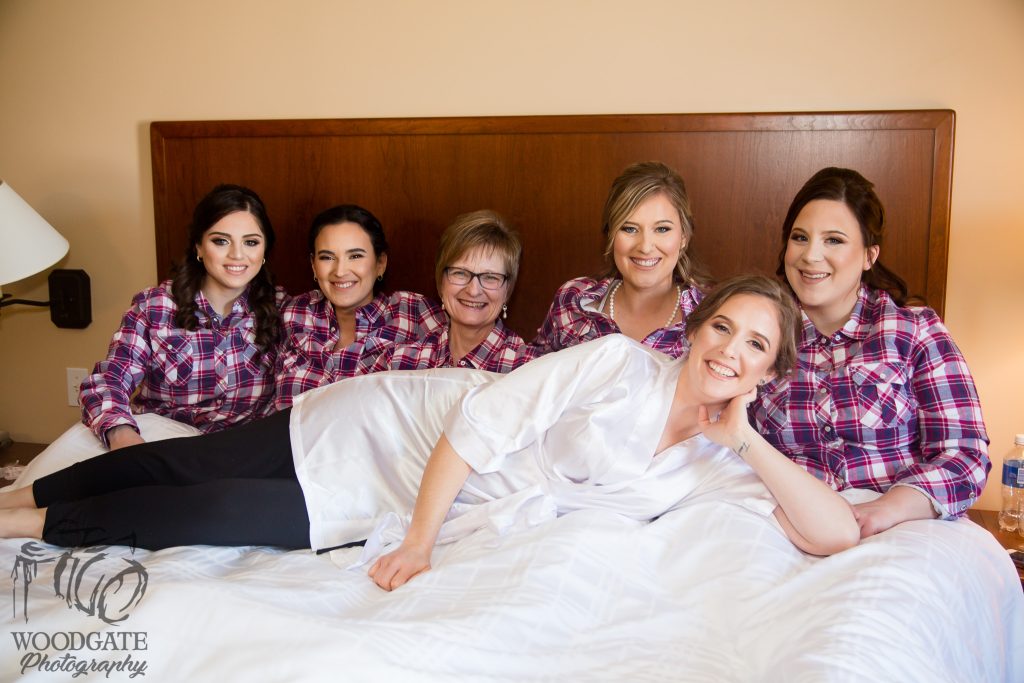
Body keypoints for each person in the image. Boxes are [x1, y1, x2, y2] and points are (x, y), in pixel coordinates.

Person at [0, 275, 859, 588]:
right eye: (722, 328)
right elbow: (480, 424)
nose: (729, 351)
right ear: (695, 328)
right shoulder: (616, 364)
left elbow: (837, 531)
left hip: (418, 494)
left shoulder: (716, 460)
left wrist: (744, 438)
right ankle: (20, 502)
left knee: (215, 512)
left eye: (756, 346)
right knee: (187, 464)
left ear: (769, 371)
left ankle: (34, 521)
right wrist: (417, 541)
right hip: (405, 428)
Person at [750, 167, 990, 539]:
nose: (811, 255)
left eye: (834, 240)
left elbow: (965, 455)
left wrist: (886, 510)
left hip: (900, 524)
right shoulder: (755, 332)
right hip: (782, 524)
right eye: (800, 238)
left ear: (869, 255)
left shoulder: (915, 331)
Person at [79, 184, 287, 451]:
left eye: (251, 242)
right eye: (221, 241)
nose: (237, 254)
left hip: (243, 451)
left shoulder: (284, 309)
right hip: (164, 443)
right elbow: (110, 380)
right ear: (198, 246)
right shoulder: (155, 306)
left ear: (264, 250)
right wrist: (123, 436)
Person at [525, 161, 708, 360]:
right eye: (629, 228)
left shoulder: (710, 314)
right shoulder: (573, 301)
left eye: (662, 229)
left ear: (684, 237)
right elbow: (532, 371)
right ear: (611, 235)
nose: (645, 247)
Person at [272, 205, 444, 409]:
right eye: (327, 257)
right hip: (283, 429)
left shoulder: (414, 313)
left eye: (355, 256)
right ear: (313, 265)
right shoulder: (294, 312)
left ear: (380, 263)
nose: (340, 271)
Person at [356, 210, 524, 373]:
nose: (473, 291)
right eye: (460, 273)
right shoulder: (398, 362)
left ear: (507, 289)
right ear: (441, 282)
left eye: (490, 277)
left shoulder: (527, 369)